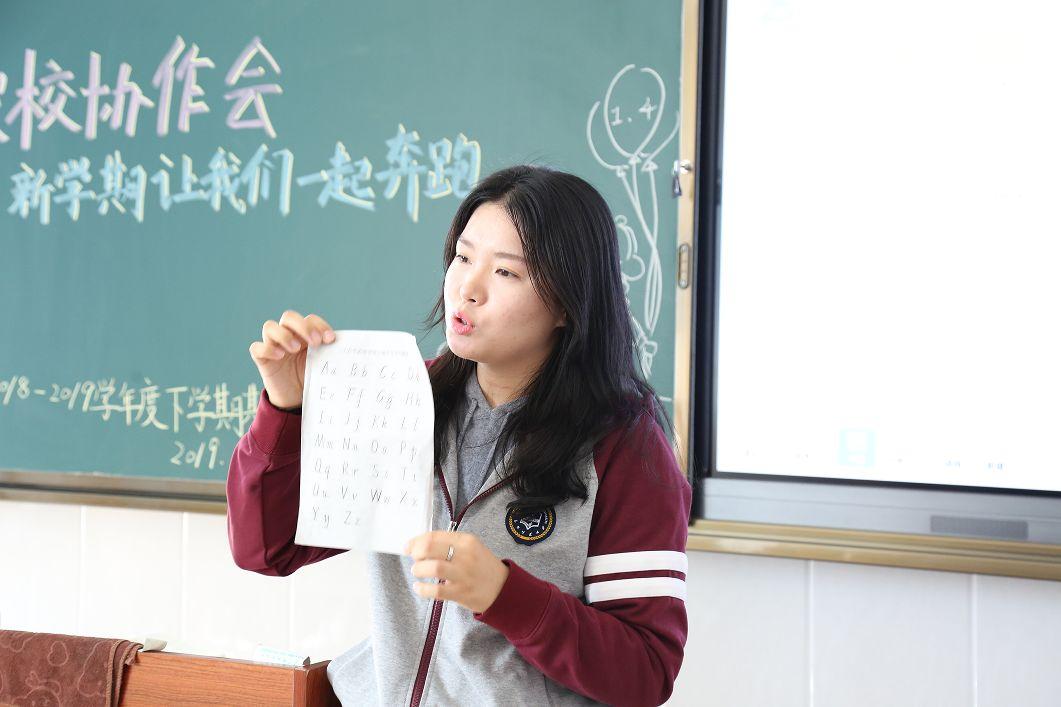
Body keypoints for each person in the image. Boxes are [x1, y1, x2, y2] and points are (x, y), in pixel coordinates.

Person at [226, 165, 692, 706]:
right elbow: (268, 550)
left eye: (506, 272)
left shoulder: (624, 444)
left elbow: (645, 671)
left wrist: (504, 594)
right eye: (464, 258)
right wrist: (286, 408)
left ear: (567, 305)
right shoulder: (403, 396)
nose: (467, 288)